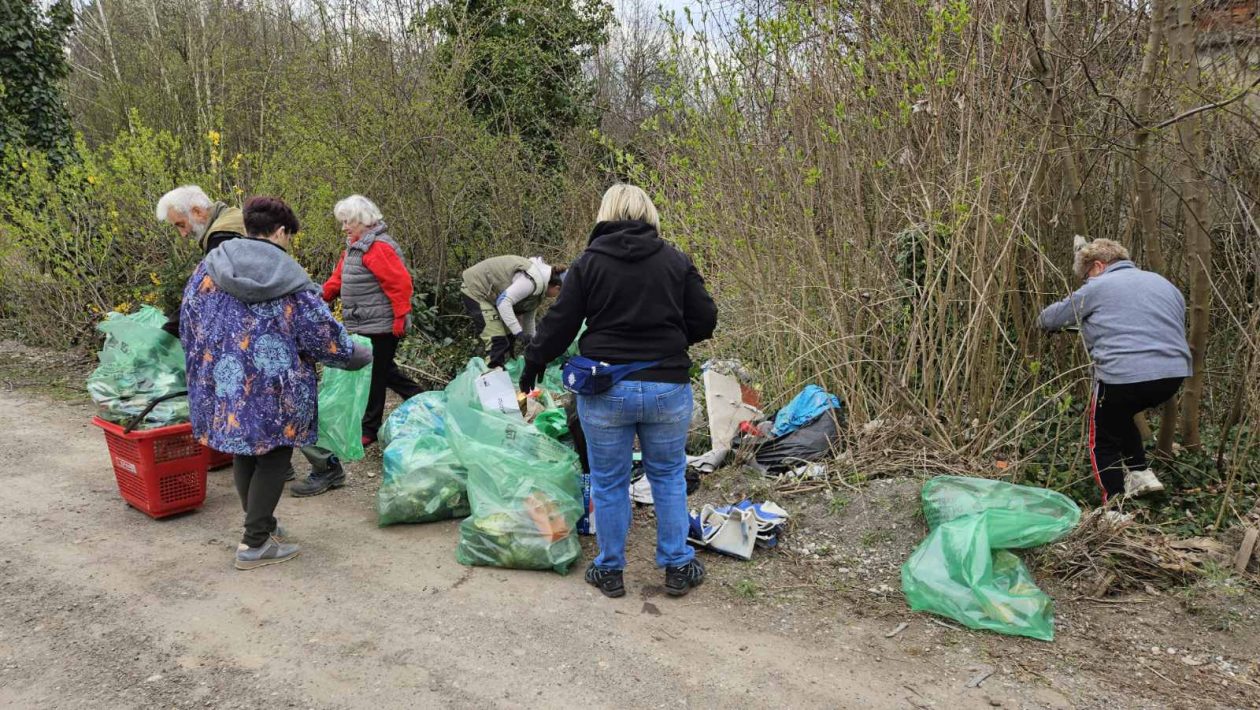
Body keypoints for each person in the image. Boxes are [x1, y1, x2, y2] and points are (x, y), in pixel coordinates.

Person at [520, 184, 717, 599]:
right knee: (668, 476)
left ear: (605, 213)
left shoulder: (588, 264)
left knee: (609, 481)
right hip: (667, 387)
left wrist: (534, 361)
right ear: (649, 214)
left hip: (606, 388)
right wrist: (670, 340)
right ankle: (677, 565)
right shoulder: (675, 260)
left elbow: (561, 323)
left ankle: (609, 569)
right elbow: (706, 319)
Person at [180, 196, 372, 570]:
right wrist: (355, 355)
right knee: (274, 455)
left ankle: (262, 525)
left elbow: (189, 322)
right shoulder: (288, 277)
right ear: (281, 232)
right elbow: (321, 335)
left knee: (244, 450)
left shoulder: (210, 266)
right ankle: (254, 544)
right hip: (277, 387)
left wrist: (207, 368)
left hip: (227, 383)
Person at [1038, 238, 1191, 503]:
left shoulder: (1099, 286)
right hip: (1172, 375)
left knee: (1102, 436)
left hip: (1123, 374)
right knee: (1121, 414)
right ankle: (1140, 473)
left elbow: (1050, 318)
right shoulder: (1164, 284)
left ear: (1098, 265)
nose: (1086, 282)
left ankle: (1113, 506)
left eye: (1086, 276)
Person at [319, 195, 423, 448]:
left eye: (347, 222)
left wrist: (400, 317)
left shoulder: (378, 247)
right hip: (363, 323)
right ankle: (421, 397)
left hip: (381, 325)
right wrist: (321, 297)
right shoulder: (355, 247)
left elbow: (400, 284)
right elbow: (338, 279)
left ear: (362, 220)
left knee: (375, 375)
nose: (343, 227)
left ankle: (370, 427)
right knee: (383, 371)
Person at [155, 185, 245, 337]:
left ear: (197, 212)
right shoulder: (232, 216)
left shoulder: (222, 237)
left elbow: (203, 294)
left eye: (181, 224)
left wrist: (166, 334)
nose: (183, 234)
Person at [460, 255, 565, 368]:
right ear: (557, 287)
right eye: (558, 294)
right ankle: (490, 374)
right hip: (476, 289)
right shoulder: (530, 281)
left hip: (492, 296)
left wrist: (533, 343)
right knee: (498, 342)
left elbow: (528, 319)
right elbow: (503, 302)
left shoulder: (539, 290)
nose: (556, 297)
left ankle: (502, 372)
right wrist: (518, 332)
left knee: (509, 339)